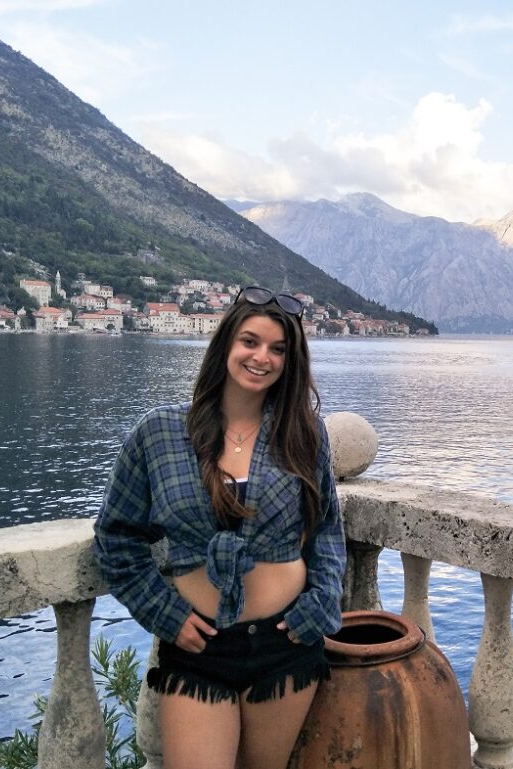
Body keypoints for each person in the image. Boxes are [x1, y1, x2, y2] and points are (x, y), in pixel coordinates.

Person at [93, 287, 345, 769]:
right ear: (226, 344)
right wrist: (161, 612)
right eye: (251, 341)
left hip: (285, 642)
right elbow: (117, 537)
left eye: (278, 349)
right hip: (198, 645)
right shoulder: (160, 433)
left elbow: (327, 528)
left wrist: (322, 602)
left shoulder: (304, 435)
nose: (262, 357)